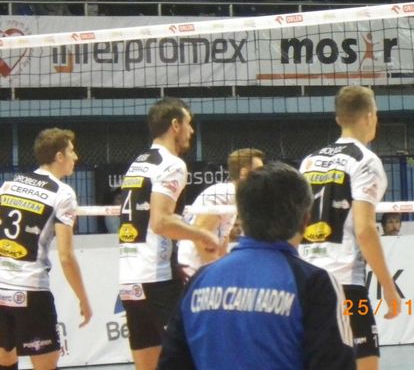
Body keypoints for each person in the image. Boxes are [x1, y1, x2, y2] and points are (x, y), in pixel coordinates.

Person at [158, 162, 356, 369]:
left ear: (242, 217)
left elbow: (171, 363)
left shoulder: (200, 280)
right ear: (306, 219)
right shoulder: (315, 283)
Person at [298, 85, 401, 370]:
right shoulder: (365, 161)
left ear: (338, 118)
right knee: (366, 362)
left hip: (306, 280)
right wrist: (389, 288)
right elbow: (365, 230)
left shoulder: (309, 161)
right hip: (344, 282)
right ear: (370, 116)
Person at [118, 97, 219, 370]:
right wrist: (202, 235)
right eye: (189, 123)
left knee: (147, 360)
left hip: (129, 278)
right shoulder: (172, 164)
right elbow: (160, 222)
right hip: (157, 278)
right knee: (191, 356)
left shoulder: (139, 162)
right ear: (175, 125)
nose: (191, 131)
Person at [0, 128, 92, 369]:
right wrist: (83, 299)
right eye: (72, 151)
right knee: (45, 364)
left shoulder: (9, 185)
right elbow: (66, 256)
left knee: (5, 358)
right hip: (31, 290)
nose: (76, 156)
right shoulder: (62, 193)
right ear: (59, 156)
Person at [177, 148, 265, 278]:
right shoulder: (224, 193)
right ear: (244, 173)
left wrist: (225, 264)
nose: (262, 175)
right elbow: (199, 236)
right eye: (259, 170)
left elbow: (223, 235)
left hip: (203, 265)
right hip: (193, 267)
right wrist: (218, 272)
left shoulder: (235, 196)